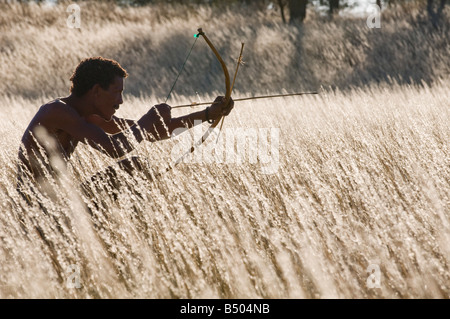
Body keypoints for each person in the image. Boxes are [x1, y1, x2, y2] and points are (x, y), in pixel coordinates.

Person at [16, 56, 234, 203]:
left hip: (60, 205)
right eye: (117, 92)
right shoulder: (57, 112)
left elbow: (155, 132)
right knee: (135, 166)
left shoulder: (87, 117)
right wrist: (146, 121)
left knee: (135, 166)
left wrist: (206, 115)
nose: (120, 101)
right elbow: (115, 148)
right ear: (96, 91)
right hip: (36, 210)